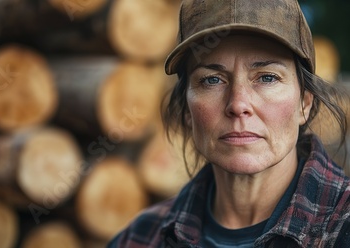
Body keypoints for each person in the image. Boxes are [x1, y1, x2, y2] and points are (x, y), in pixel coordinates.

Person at [107, 0, 350, 247]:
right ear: (188, 110)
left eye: (267, 77)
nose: (238, 104)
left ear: (304, 104)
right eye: (212, 80)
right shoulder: (142, 237)